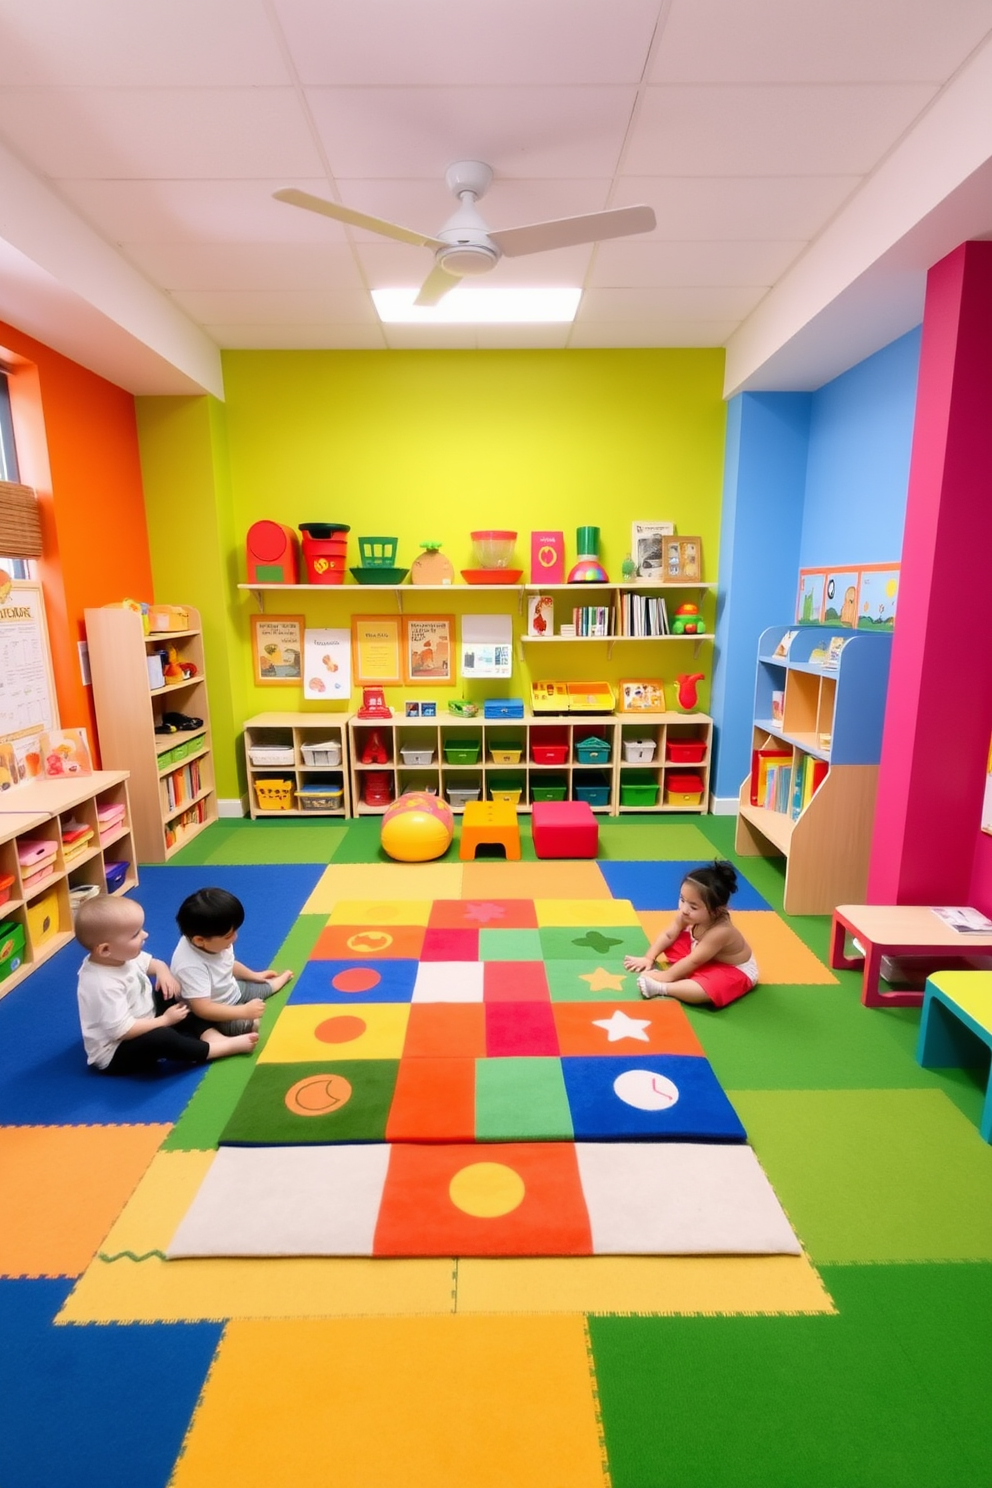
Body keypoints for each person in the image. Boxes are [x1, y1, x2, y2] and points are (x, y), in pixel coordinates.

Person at [75, 895, 258, 1074]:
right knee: (162, 1038)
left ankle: (211, 1035)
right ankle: (213, 1049)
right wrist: (165, 1020)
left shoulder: (120, 955)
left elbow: (153, 964)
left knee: (176, 996)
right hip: (117, 1050)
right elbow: (123, 1031)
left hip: (143, 1016)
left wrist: (163, 972)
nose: (145, 935)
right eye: (135, 934)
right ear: (105, 949)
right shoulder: (102, 984)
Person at [623, 860, 758, 1007]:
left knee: (708, 989)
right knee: (673, 939)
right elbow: (669, 935)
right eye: (682, 900)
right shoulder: (686, 914)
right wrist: (649, 958)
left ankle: (664, 989)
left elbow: (694, 961)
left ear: (717, 910)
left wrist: (664, 977)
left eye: (693, 907)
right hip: (704, 955)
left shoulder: (721, 931)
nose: (684, 909)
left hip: (734, 970)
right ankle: (686, 975)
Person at [170, 886, 293, 1035]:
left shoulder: (214, 943)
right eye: (229, 936)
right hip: (212, 1010)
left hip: (231, 990)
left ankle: (276, 983)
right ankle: (209, 1033)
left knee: (262, 987)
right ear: (199, 940)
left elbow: (227, 965)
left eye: (235, 931)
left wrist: (254, 975)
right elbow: (203, 1008)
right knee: (252, 1025)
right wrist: (243, 1012)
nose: (235, 938)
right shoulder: (190, 966)